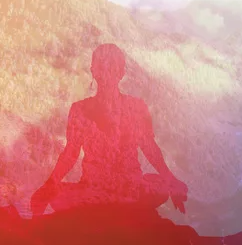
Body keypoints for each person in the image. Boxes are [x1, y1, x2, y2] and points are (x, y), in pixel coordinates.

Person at [30, 44, 188, 217]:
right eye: (102, 66)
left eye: (111, 67)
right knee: (57, 193)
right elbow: (71, 153)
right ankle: (116, 207)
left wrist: (170, 179)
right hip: (98, 190)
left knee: (159, 183)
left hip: (129, 189)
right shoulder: (80, 109)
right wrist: (50, 184)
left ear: (121, 72)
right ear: (93, 70)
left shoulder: (136, 107)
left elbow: (149, 147)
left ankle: (109, 207)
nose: (106, 73)